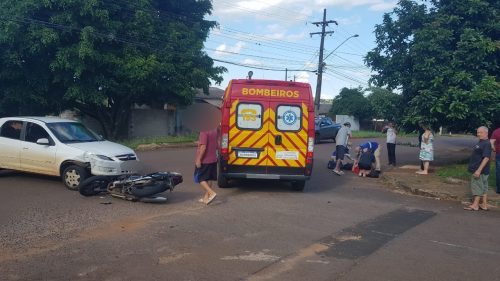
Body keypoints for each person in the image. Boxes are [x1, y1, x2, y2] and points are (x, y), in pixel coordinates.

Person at [464, 126, 491, 211]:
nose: (478, 134)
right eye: (478, 132)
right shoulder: (482, 142)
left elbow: (486, 158)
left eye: (480, 132)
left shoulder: (486, 143)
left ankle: (475, 205)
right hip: (481, 170)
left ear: (486, 133)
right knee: (483, 187)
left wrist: (478, 170)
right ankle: (484, 204)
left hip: (479, 170)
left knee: (477, 187)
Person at [194, 127, 218, 205]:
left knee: (199, 178)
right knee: (209, 178)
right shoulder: (214, 130)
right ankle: (206, 198)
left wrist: (198, 159)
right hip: (213, 159)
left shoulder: (204, 131)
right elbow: (217, 145)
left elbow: (203, 147)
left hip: (205, 160)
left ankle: (211, 193)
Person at [490, 126, 500, 194]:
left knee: (498, 171)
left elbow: (491, 142)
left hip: (499, 153)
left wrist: (494, 149)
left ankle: (499, 189)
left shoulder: (496, 131)